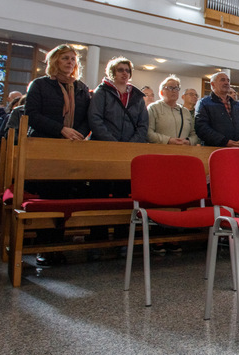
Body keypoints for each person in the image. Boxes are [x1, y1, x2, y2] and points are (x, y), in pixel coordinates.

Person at [24, 45, 92, 266]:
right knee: (48, 197)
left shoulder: (81, 88)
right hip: (45, 145)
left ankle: (58, 245)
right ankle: (43, 247)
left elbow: (87, 117)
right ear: (54, 61)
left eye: (73, 59)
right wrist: (61, 129)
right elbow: (32, 115)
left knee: (65, 197)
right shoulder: (40, 85)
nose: (70, 62)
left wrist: (78, 133)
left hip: (72, 147)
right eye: (65, 58)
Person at [89, 57, 148, 143]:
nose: (125, 73)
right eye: (120, 70)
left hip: (130, 146)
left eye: (127, 70)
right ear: (112, 72)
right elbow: (95, 119)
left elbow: (143, 125)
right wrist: (113, 143)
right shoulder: (102, 92)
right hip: (103, 144)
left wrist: (131, 144)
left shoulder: (137, 96)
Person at [194, 72, 239, 148]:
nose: (226, 83)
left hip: (238, 148)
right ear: (213, 84)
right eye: (222, 80)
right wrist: (224, 141)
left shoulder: (237, 105)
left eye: (228, 80)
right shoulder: (204, 103)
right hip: (215, 149)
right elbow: (202, 128)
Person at [147, 75, 199, 145]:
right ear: (161, 92)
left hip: (183, 150)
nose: (174, 91)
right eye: (170, 88)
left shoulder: (185, 112)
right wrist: (168, 140)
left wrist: (189, 141)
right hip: (160, 150)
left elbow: (194, 134)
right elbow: (148, 133)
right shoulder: (153, 108)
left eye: (176, 88)